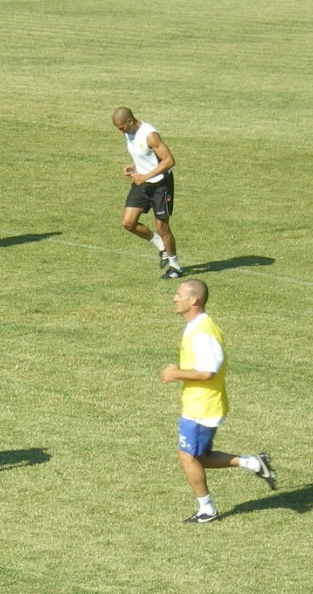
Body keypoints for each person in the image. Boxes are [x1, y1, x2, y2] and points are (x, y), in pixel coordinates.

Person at [160, 279, 277, 523]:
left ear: (194, 300)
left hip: (203, 406)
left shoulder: (203, 333)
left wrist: (176, 373)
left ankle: (207, 509)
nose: (174, 298)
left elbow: (208, 371)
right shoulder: (197, 326)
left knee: (188, 457)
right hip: (200, 402)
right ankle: (255, 463)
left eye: (179, 294)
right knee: (200, 457)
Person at [112, 107, 182, 279]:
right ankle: (160, 244)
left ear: (129, 121)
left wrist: (145, 176)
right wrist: (134, 166)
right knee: (128, 222)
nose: (121, 131)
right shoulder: (128, 133)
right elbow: (145, 156)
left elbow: (169, 161)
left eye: (121, 128)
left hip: (160, 185)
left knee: (162, 227)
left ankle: (176, 267)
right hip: (142, 183)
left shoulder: (150, 135)